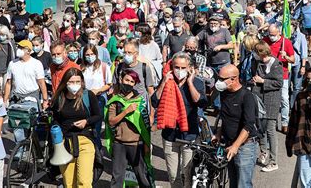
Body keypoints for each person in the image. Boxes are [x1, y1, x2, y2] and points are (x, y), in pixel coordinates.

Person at [151, 52, 207, 188]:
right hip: (170, 135)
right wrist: (164, 82)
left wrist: (190, 83)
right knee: (173, 175)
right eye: (177, 67)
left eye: (183, 68)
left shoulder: (197, 82)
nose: (179, 71)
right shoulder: (167, 82)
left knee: (188, 174)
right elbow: (154, 101)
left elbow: (201, 102)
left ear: (190, 68)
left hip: (189, 135)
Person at [51, 68, 101, 188]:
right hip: (65, 143)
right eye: (71, 82)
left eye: (77, 82)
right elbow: (56, 118)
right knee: (69, 183)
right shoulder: (60, 97)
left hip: (85, 140)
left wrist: (86, 121)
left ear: (82, 82)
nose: (74, 85)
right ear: (65, 83)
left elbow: (98, 115)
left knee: (84, 181)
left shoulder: (88, 95)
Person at [106, 70, 153, 188]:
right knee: (117, 177)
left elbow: (145, 125)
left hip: (137, 144)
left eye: (132, 81)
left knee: (142, 176)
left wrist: (147, 144)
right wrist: (126, 112)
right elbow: (111, 121)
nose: (129, 83)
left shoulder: (140, 101)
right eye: (126, 80)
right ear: (121, 80)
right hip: (119, 144)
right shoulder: (115, 100)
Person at [213, 64, 258, 188]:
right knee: (233, 183)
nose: (219, 82)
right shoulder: (224, 93)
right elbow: (225, 118)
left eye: (222, 79)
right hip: (229, 144)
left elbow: (248, 125)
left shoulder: (246, 96)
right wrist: (218, 134)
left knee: (243, 184)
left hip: (245, 147)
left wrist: (235, 146)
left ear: (233, 79)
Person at [4, 40, 49, 142]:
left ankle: (32, 148)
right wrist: (5, 99)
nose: (18, 49)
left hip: (31, 99)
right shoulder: (12, 64)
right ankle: (19, 154)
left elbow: (41, 83)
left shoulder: (36, 64)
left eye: (21, 48)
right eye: (18, 47)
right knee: (17, 128)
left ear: (28, 50)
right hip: (16, 100)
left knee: (30, 127)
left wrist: (45, 100)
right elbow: (8, 83)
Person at [251, 41, 283, 172]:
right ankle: (263, 152)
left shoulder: (276, 64)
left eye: (256, 52)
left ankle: (274, 161)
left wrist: (263, 81)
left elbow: (279, 83)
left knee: (270, 130)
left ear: (262, 52)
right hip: (260, 99)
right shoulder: (258, 63)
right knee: (261, 128)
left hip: (272, 101)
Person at [263, 23, 295, 133]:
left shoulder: (286, 42)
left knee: (284, 99)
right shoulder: (265, 41)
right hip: (268, 75)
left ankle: (285, 122)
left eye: (273, 34)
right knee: (271, 100)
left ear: (279, 33)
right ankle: (272, 122)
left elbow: (293, 59)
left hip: (283, 75)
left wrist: (285, 56)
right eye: (269, 34)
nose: (271, 36)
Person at [81, 44, 112, 146]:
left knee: (96, 128)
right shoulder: (81, 68)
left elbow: (109, 84)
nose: (90, 56)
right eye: (87, 54)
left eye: (92, 54)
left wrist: (98, 90)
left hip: (98, 98)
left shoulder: (103, 66)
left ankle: (97, 151)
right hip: (84, 98)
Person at [113, 38, 155, 104]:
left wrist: (152, 113)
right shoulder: (119, 67)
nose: (126, 55)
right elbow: (115, 90)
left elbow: (150, 92)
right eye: (125, 52)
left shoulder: (144, 68)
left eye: (129, 53)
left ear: (136, 53)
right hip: (123, 107)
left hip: (140, 107)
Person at [0, 25, 16, 92]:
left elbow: (14, 55)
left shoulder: (11, 43)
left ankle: (6, 100)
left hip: (8, 69)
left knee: (7, 87)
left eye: (3, 34)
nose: (0, 36)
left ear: (7, 34)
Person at [290, 20, 308, 108]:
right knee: (286, 85)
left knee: (297, 86)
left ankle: (293, 105)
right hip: (287, 64)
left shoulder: (301, 37)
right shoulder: (285, 37)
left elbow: (304, 53)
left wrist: (303, 66)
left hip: (297, 64)